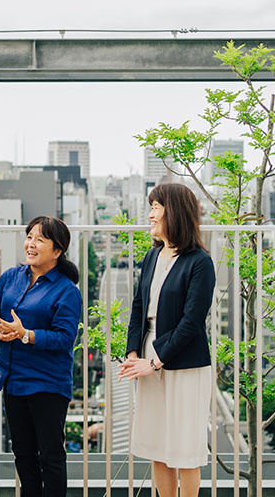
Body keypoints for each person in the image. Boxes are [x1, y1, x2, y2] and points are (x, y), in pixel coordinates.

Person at [118, 183, 215, 497]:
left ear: (173, 211)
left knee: (184, 448)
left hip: (183, 362)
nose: (149, 215)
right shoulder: (152, 255)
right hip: (148, 353)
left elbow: (192, 323)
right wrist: (134, 353)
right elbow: (138, 306)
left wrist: (155, 361)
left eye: (155, 207)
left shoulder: (200, 262)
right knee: (158, 444)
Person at [0, 216, 82, 497]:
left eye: (40, 239)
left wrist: (26, 334)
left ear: (58, 250)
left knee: (50, 456)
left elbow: (64, 338)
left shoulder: (66, 291)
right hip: (13, 378)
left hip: (48, 382)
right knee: (22, 453)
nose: (31, 244)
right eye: (29, 237)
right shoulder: (10, 278)